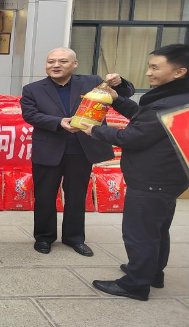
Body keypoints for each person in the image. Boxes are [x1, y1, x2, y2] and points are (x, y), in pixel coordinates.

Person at [79, 44, 189, 301]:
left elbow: (132, 137)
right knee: (157, 228)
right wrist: (117, 99)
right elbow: (144, 117)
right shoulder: (176, 98)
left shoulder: (168, 104)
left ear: (179, 72)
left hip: (152, 178)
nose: (148, 72)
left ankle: (135, 284)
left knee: (140, 232)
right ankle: (152, 273)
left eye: (155, 68)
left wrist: (94, 129)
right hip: (170, 176)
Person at [20, 47, 135, 257]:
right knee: (44, 196)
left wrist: (119, 82)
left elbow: (127, 94)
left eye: (62, 61)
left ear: (75, 64)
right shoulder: (32, 89)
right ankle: (44, 237)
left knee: (76, 196)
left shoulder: (93, 82)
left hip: (81, 150)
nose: (56, 65)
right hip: (48, 149)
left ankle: (74, 238)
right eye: (51, 61)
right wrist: (58, 122)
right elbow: (30, 115)